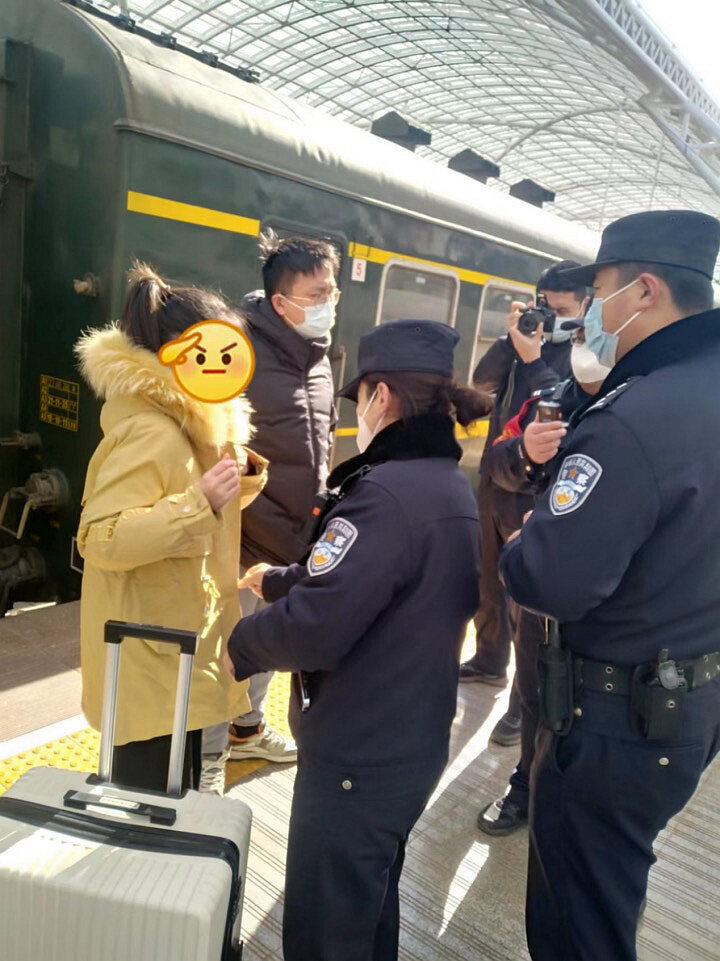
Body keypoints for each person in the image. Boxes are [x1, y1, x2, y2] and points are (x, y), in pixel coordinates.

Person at [225, 320, 488, 961]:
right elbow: (371, 581)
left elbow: (316, 627)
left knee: (326, 926)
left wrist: (238, 645)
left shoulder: (385, 495)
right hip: (406, 737)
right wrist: (277, 580)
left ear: (382, 396)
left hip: (359, 754)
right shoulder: (443, 481)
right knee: (366, 906)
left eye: (361, 398)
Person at [500, 210, 720, 961]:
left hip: (611, 724)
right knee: (611, 897)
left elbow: (549, 579)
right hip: (688, 704)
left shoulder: (633, 418)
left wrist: (526, 539)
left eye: (598, 293)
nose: (590, 314)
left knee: (578, 928)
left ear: (645, 291)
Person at [75, 264, 267, 792]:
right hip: (148, 663)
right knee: (148, 807)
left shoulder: (190, 424)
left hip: (171, 653)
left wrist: (240, 477)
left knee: (171, 798)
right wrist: (198, 503)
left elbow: (200, 512)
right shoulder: (153, 431)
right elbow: (101, 537)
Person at [200, 233, 338, 791]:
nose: (329, 302)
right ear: (281, 302)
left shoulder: (319, 354)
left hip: (293, 535)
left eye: (332, 291)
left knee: (268, 641)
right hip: (241, 534)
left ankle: (247, 731)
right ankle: (206, 758)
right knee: (224, 650)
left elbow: (321, 439)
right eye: (318, 293)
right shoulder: (238, 350)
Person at [478, 320, 610, 836]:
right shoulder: (548, 402)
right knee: (535, 688)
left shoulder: (644, 409)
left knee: (592, 703)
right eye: (579, 338)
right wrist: (525, 453)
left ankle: (571, 797)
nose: (584, 346)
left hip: (605, 589)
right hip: (540, 579)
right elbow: (496, 462)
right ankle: (526, 786)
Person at [463, 262, 584, 748]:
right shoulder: (525, 341)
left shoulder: (582, 355)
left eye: (562, 309)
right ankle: (488, 660)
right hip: (496, 480)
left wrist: (534, 358)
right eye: (543, 306)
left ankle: (519, 703)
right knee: (486, 581)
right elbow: (482, 383)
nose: (550, 317)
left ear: (585, 308)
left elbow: (557, 408)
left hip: (532, 492)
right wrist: (510, 339)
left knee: (525, 607)